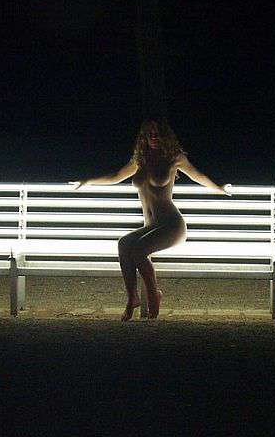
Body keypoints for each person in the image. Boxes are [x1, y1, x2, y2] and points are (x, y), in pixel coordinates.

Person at [70, 119, 231, 321]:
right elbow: (116, 176)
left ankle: (154, 293)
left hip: (172, 226)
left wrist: (219, 188)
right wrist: (86, 181)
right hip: (151, 227)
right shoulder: (140, 159)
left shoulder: (174, 158)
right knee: (124, 244)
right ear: (144, 137)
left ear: (165, 136)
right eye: (150, 133)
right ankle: (132, 298)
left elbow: (198, 175)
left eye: (157, 133)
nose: (154, 137)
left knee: (138, 249)